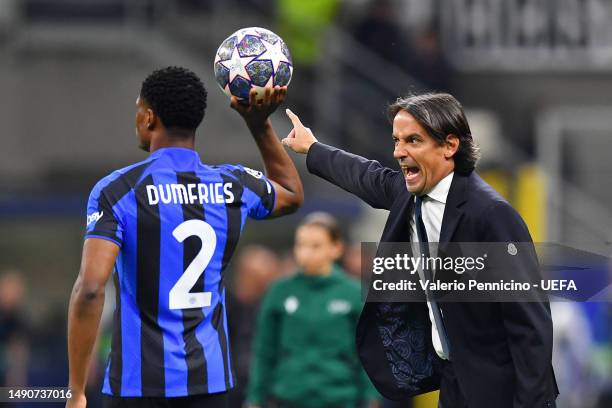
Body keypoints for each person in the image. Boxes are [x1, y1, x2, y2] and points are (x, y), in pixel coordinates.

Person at [280, 93, 558, 407]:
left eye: (413, 140)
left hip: (502, 391)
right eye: (397, 140)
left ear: (450, 146)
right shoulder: (407, 193)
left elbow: (530, 325)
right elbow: (364, 175)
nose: (399, 152)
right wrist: (313, 148)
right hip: (455, 383)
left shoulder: (491, 216)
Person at [66, 66, 304, 408]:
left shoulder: (118, 191)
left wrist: (76, 390)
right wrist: (258, 122)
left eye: (137, 110)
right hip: (210, 384)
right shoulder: (231, 185)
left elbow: (89, 289)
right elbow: (292, 194)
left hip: (138, 386)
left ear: (149, 118)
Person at [246, 212, 380, 408]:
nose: (306, 252)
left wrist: (372, 397)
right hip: (289, 398)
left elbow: (369, 352)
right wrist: (255, 397)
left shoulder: (353, 293)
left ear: (336, 248)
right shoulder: (279, 291)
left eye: (315, 245)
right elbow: (264, 350)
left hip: (339, 399)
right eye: (300, 244)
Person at [226, 245, 281, 408]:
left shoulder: (274, 305)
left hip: (264, 384)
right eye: (256, 277)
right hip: (231, 384)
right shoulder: (223, 303)